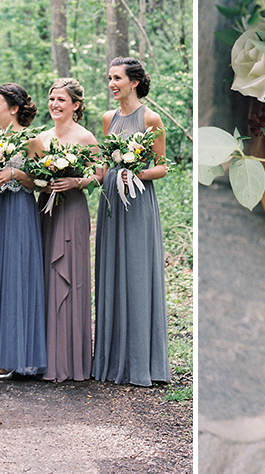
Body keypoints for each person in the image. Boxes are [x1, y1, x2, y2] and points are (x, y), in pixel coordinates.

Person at [93, 57, 171, 386]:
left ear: (134, 82)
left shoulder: (151, 119)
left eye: (117, 78)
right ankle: (112, 360)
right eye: (110, 78)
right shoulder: (107, 118)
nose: (112, 83)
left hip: (138, 198)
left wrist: (135, 172)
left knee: (137, 273)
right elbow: (101, 162)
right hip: (112, 196)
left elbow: (163, 166)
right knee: (112, 271)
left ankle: (142, 361)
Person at [0, 83, 47, 379]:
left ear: (13, 109)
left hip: (19, 211)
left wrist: (15, 173)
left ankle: (15, 359)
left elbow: (42, 180)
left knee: (16, 277)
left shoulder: (32, 139)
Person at [38, 78, 98, 382]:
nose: (55, 105)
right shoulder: (40, 137)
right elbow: (31, 172)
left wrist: (77, 182)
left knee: (70, 276)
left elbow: (99, 174)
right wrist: (39, 180)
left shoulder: (85, 137)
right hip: (45, 209)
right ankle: (44, 356)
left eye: (61, 100)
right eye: (52, 99)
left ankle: (71, 360)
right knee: (45, 276)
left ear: (75, 105)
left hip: (72, 209)